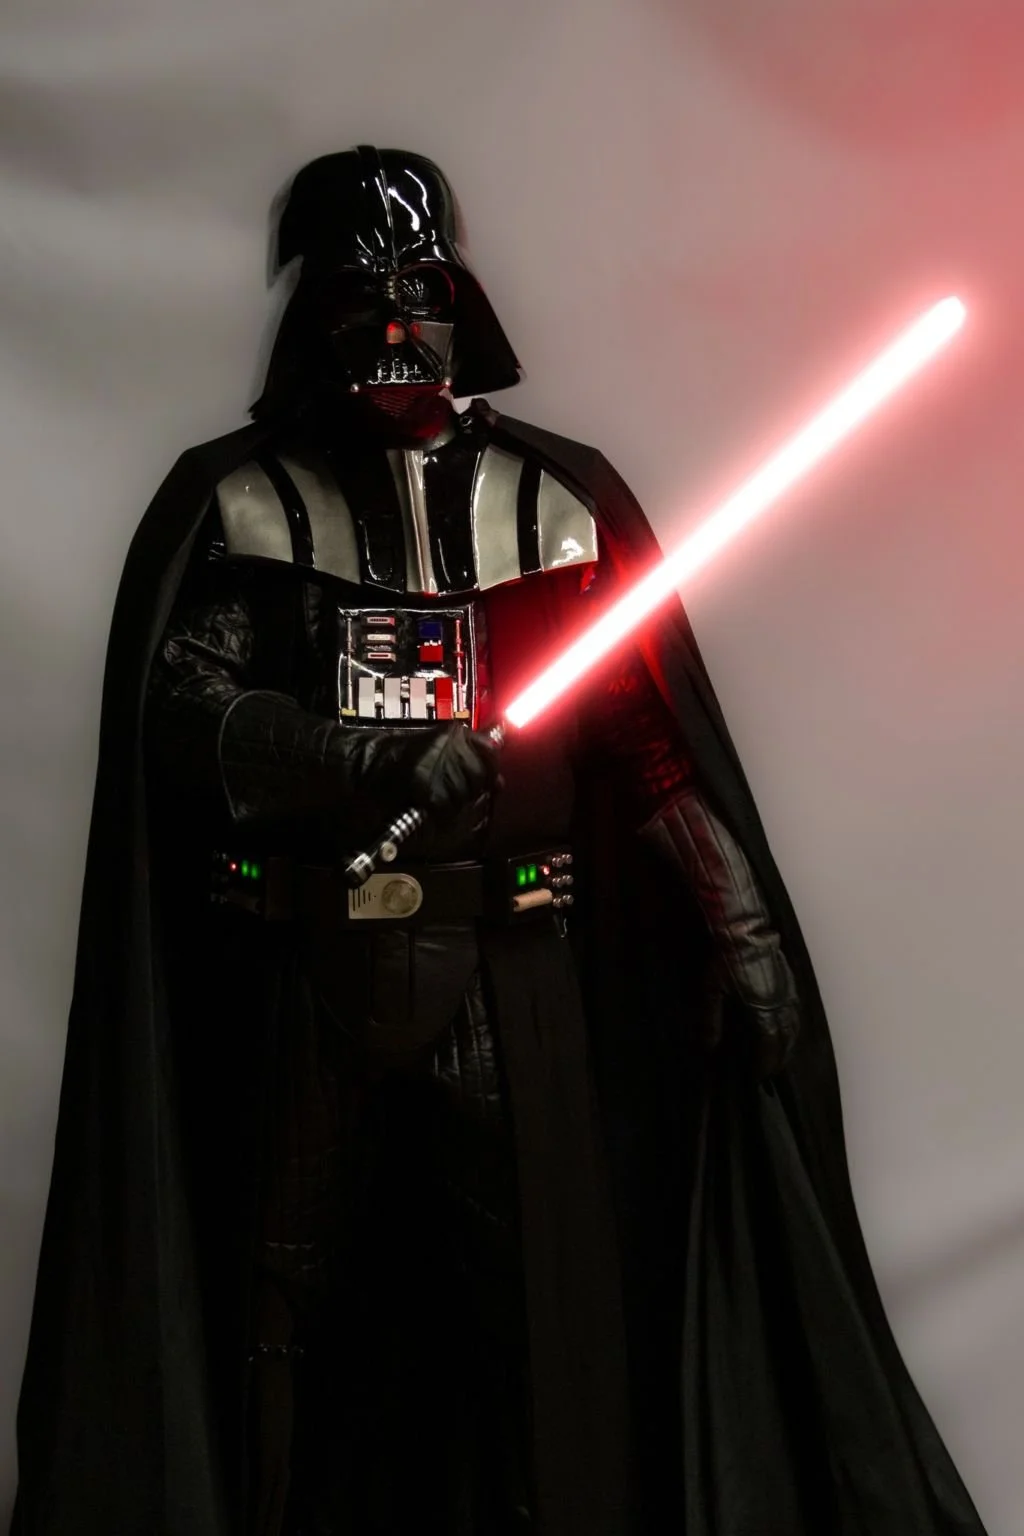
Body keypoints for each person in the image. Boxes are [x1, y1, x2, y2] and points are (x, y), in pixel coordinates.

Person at [10, 146, 989, 1536]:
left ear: (462, 306)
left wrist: (740, 925)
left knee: (539, 1295)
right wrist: (367, 757)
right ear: (315, 322)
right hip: (311, 970)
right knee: (274, 1297)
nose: (398, 340)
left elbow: (649, 751)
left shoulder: (557, 506)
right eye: (366, 307)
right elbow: (195, 719)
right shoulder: (245, 507)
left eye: (420, 303)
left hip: (504, 967)